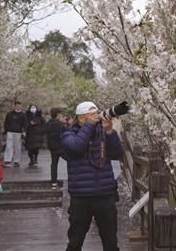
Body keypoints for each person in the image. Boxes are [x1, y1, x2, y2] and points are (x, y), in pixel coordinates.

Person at [60, 101, 128, 251]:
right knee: (75, 242)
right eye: (92, 115)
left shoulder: (103, 132)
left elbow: (117, 154)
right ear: (81, 118)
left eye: (96, 114)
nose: (96, 117)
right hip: (81, 197)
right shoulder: (68, 134)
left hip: (105, 194)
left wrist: (110, 132)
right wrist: (89, 126)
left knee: (110, 242)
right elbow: (77, 148)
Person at [44, 107, 65, 188]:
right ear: (58, 114)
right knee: (71, 160)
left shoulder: (48, 123)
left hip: (52, 147)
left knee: (54, 164)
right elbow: (64, 133)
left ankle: (53, 182)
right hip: (60, 147)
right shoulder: (59, 124)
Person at [3, 101, 27, 167]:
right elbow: (6, 123)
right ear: (14, 106)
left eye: (19, 106)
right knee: (9, 146)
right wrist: (5, 132)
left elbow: (25, 124)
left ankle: (16, 161)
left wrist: (24, 131)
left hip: (18, 132)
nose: (18, 107)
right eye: (17, 106)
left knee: (17, 147)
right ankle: (7, 160)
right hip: (10, 132)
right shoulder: (9, 114)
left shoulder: (23, 115)